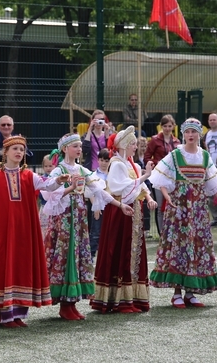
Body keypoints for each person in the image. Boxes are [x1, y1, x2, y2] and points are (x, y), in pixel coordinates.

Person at [0, 135, 70, 328]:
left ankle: (18, 314)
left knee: (21, 268)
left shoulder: (29, 176)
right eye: (15, 149)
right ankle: (4, 315)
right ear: (5, 153)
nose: (19, 152)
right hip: (2, 232)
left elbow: (47, 185)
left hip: (24, 232)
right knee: (3, 267)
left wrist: (58, 180)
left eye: (21, 149)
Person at [41, 134, 131, 320]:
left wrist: (120, 205)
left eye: (80, 146)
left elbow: (100, 191)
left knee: (78, 255)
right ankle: (65, 305)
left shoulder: (82, 170)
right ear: (65, 149)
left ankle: (71, 303)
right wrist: (66, 185)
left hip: (79, 220)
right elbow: (48, 189)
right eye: (75, 146)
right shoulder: (59, 170)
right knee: (66, 256)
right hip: (64, 220)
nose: (79, 149)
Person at [149, 118, 217, 308]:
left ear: (199, 135)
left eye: (193, 132)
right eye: (187, 132)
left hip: (197, 209)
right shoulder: (174, 155)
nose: (190, 135)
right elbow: (160, 178)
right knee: (179, 246)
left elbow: (211, 183)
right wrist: (167, 196)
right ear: (183, 134)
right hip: (179, 208)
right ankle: (177, 293)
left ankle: (190, 292)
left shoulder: (204, 156)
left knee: (196, 246)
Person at [91, 126, 158, 313]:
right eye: (133, 144)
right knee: (122, 250)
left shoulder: (131, 164)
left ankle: (132, 298)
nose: (136, 147)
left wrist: (150, 197)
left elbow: (141, 187)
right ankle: (121, 300)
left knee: (133, 251)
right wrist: (145, 175)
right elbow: (119, 187)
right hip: (121, 213)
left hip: (134, 212)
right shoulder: (117, 164)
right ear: (125, 145)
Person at [145, 114, 180, 236]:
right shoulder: (154, 140)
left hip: (173, 177)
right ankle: (162, 234)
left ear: (173, 126)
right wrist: (158, 163)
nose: (167, 128)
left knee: (172, 204)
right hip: (159, 176)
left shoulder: (177, 141)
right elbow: (147, 157)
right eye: (165, 126)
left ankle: (172, 231)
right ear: (161, 126)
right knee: (160, 207)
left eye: (170, 126)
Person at [89, 148, 111, 256]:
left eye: (106, 161)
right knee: (95, 233)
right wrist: (96, 206)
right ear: (98, 160)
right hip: (98, 207)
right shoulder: (93, 175)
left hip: (111, 207)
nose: (104, 163)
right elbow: (90, 193)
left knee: (110, 233)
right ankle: (91, 255)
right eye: (102, 160)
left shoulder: (112, 175)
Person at [134, 137, 152, 239]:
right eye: (141, 146)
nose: (143, 148)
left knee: (147, 208)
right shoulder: (135, 159)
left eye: (145, 146)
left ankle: (147, 230)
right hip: (139, 184)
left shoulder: (146, 157)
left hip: (147, 184)